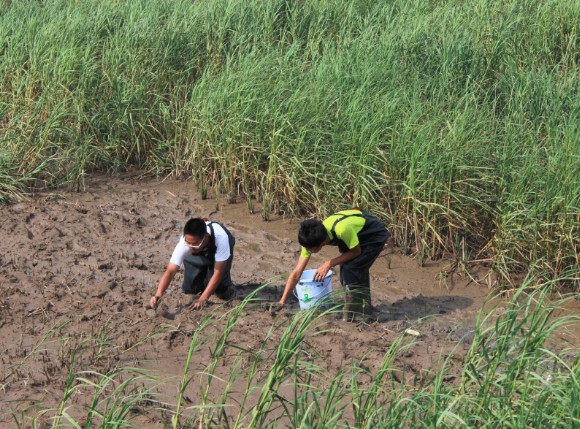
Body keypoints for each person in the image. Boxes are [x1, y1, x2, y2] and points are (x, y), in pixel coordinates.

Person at [278, 209, 390, 321]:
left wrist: (329, 263)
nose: (307, 251)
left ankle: (354, 314)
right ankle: (363, 308)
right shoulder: (310, 239)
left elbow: (356, 252)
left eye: (310, 250)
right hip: (355, 235)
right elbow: (297, 273)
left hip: (373, 234)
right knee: (352, 268)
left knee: (351, 268)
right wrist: (282, 302)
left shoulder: (341, 230)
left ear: (322, 243)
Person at [150, 217, 235, 310]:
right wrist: (158, 295)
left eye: (194, 243)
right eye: (188, 243)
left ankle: (226, 287)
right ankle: (205, 281)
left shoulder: (221, 237)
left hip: (218, 252)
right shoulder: (185, 243)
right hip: (199, 251)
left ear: (205, 237)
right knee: (190, 290)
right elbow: (170, 271)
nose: (190, 247)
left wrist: (203, 299)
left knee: (220, 291)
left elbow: (218, 273)